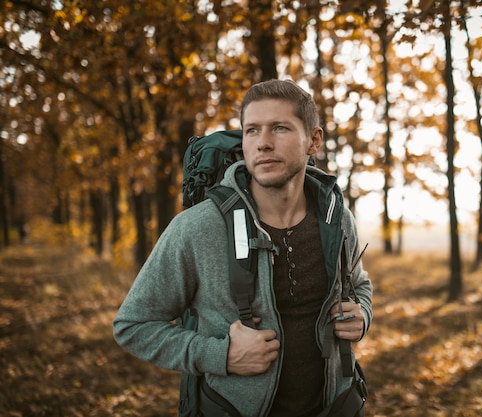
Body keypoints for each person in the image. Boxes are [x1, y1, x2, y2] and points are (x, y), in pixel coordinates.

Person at [113, 79, 372, 417]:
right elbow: (133, 325)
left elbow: (359, 284)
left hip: (335, 407)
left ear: (314, 140)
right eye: (252, 130)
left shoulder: (336, 219)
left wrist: (362, 314)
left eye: (279, 128)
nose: (263, 143)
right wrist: (220, 356)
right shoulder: (197, 227)